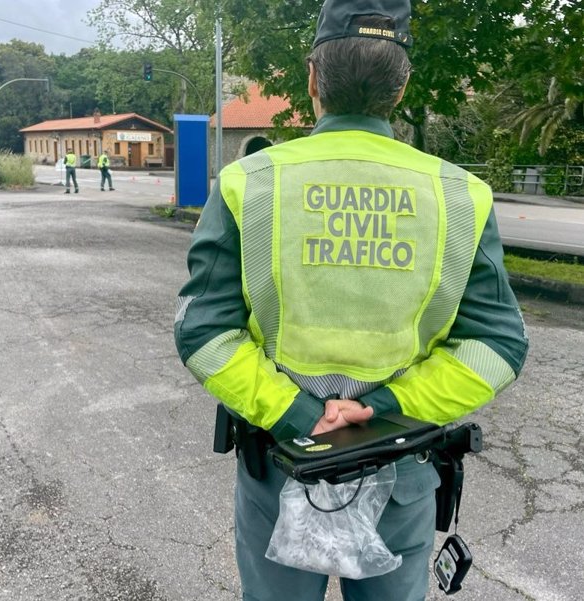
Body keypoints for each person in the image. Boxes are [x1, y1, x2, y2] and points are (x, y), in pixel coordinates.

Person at [174, 1, 529, 600]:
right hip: (402, 466)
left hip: (281, 458)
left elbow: (203, 334)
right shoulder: (461, 196)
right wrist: (382, 411)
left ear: (312, 78)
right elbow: (497, 347)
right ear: (403, 83)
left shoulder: (248, 183)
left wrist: (301, 417)